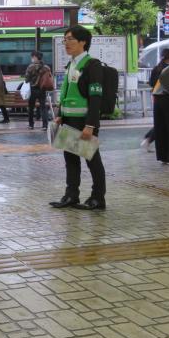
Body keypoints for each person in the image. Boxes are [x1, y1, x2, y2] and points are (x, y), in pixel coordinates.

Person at [49, 25, 107, 211]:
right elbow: (67, 92)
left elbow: (95, 97)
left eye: (70, 39)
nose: (66, 43)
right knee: (71, 160)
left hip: (84, 121)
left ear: (83, 42)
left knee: (92, 160)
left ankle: (98, 198)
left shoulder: (92, 65)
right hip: (68, 120)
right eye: (65, 39)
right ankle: (71, 195)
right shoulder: (71, 64)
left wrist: (90, 125)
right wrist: (60, 115)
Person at [140, 48, 169, 152]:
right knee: (163, 122)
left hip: (156, 97)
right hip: (167, 97)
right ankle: (149, 138)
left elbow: (151, 83)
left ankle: (148, 139)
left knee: (160, 121)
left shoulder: (156, 68)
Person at [24, 51, 51, 131]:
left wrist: (30, 79)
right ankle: (45, 125)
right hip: (42, 89)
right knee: (43, 107)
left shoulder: (30, 67)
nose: (32, 58)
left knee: (31, 107)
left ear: (35, 57)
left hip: (33, 89)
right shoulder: (46, 67)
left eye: (32, 57)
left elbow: (26, 79)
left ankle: (31, 125)